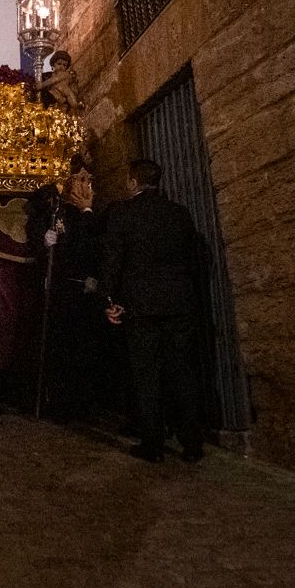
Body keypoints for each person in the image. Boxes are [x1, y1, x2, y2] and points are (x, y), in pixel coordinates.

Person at [101, 158, 208, 463]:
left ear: (133, 182)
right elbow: (191, 259)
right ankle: (192, 443)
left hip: (141, 306)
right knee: (182, 373)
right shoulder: (179, 214)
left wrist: (108, 300)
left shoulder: (123, 214)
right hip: (180, 304)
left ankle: (153, 444)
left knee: (147, 376)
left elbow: (112, 260)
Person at [31, 159, 106, 422]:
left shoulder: (91, 214)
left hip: (85, 290)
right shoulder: (56, 212)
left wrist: (94, 275)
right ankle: (61, 404)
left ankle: (84, 405)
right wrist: (45, 240)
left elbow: (98, 248)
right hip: (62, 291)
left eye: (89, 180)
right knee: (62, 349)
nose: (86, 185)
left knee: (86, 351)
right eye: (80, 179)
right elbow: (41, 240)